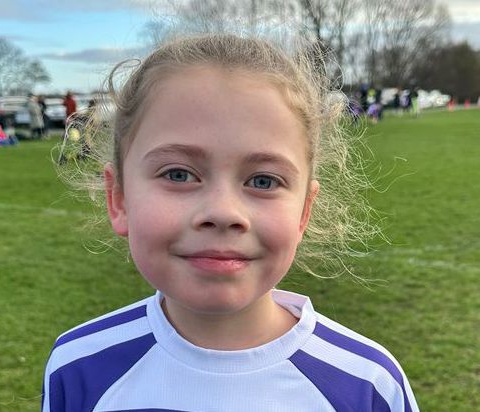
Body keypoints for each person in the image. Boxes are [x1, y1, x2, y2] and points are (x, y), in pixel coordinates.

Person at [42, 34, 419, 411]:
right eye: (178, 174)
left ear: (304, 211)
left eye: (263, 181)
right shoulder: (77, 368)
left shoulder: (367, 385)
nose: (223, 212)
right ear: (119, 199)